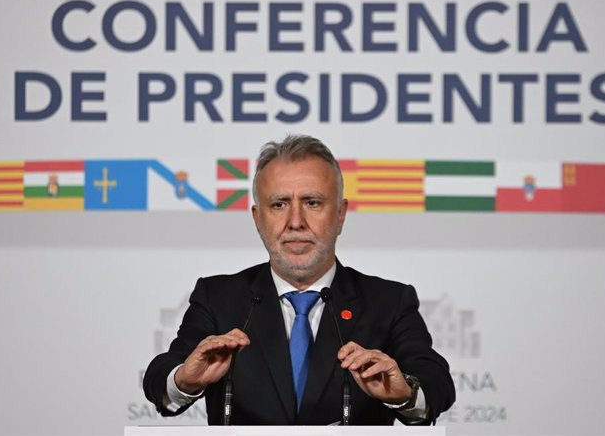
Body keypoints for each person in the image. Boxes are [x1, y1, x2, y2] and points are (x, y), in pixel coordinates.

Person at [143, 134, 455, 425]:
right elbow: (161, 379)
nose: (295, 222)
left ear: (340, 215)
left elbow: (436, 383)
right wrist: (184, 379)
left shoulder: (388, 301)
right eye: (279, 204)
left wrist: (405, 394)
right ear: (257, 218)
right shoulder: (218, 297)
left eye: (312, 203)